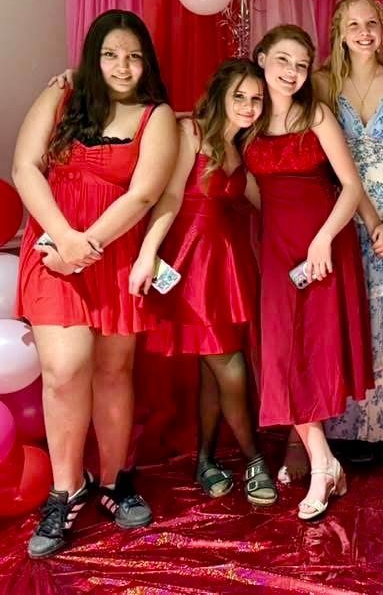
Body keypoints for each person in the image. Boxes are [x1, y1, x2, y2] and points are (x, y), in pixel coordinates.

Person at [13, 10, 177, 558]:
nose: (122, 66)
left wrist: (88, 247)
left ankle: (112, 481)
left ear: (146, 62)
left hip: (114, 252)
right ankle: (65, 490)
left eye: (133, 56)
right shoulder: (59, 96)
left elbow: (144, 194)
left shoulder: (156, 117)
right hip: (53, 248)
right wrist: (65, 240)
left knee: (113, 371)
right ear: (93, 58)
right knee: (65, 371)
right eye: (110, 55)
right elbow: (25, 168)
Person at [133, 58, 275, 505]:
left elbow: (270, 205)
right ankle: (254, 458)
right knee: (229, 366)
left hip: (227, 268)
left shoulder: (243, 149)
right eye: (240, 96)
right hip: (191, 267)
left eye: (256, 99)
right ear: (219, 95)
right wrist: (147, 254)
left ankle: (205, 460)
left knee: (214, 370)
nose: (249, 106)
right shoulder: (189, 132)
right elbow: (170, 197)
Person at [243, 25, 372, 520]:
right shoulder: (247, 119)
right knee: (281, 356)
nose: (292, 72)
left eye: (301, 64)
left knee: (313, 353)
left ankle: (321, 466)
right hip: (277, 251)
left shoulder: (316, 114)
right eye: (283, 60)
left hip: (324, 246)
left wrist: (322, 240)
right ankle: (325, 462)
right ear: (261, 58)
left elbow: (351, 187)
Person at [315, 0, 383, 455]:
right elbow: (326, 158)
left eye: (371, 23)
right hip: (341, 210)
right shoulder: (322, 83)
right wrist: (369, 216)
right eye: (353, 25)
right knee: (348, 313)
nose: (363, 32)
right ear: (339, 32)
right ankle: (346, 429)